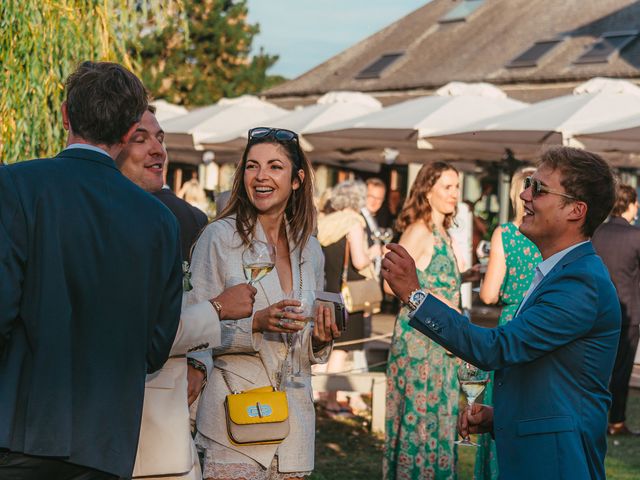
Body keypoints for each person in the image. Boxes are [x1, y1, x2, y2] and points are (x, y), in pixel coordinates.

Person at [383, 147, 620, 480]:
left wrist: (415, 295)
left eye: (538, 188)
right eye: (528, 184)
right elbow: (553, 381)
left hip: (558, 462)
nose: (524, 195)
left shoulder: (581, 282)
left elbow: (497, 348)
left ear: (575, 210)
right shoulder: (561, 272)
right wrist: (500, 418)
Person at [0, 61, 182, 479]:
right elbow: (155, 347)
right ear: (127, 131)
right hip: (107, 442)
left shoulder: (16, 186)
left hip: (19, 429)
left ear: (65, 114)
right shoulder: (158, 221)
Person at [185, 127, 340, 480]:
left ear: (297, 179)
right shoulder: (219, 237)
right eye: (252, 167)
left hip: (294, 428)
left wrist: (319, 338)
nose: (261, 176)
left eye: (274, 166)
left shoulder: (310, 251)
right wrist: (254, 323)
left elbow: (301, 348)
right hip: (233, 423)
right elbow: (191, 330)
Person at [115, 106, 258, 480]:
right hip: (107, 407)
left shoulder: (189, 220)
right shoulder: (96, 218)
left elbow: (198, 298)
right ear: (112, 145)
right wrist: (218, 309)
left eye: (160, 138)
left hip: (169, 408)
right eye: (140, 138)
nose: (158, 150)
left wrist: (200, 362)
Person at [383, 162, 466, 480]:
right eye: (447, 186)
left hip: (441, 336)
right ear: (427, 190)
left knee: (440, 419)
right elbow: (390, 280)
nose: (454, 194)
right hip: (419, 339)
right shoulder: (419, 229)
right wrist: (444, 304)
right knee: (419, 421)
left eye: (457, 186)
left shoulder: (443, 231)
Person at [475, 166, 541, 480]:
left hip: (512, 318)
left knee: (502, 402)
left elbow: (487, 295)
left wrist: (501, 287)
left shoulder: (506, 234)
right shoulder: (547, 233)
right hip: (542, 319)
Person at [317, 180, 381, 415]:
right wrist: (375, 252)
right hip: (348, 295)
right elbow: (359, 261)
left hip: (327, 288)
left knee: (327, 344)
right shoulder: (354, 222)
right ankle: (331, 400)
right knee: (341, 350)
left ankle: (320, 393)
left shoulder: (324, 222)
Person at [592, 184, 640, 437]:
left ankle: (595, 419)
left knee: (597, 368)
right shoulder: (636, 236)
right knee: (621, 371)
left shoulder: (595, 232)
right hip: (628, 311)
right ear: (630, 204)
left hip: (596, 310)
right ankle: (617, 422)